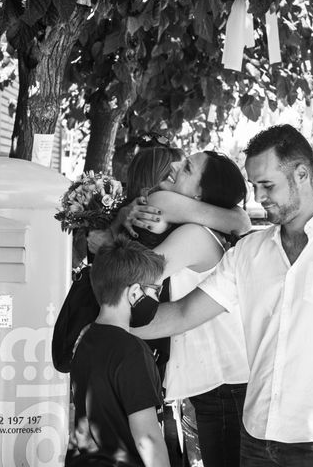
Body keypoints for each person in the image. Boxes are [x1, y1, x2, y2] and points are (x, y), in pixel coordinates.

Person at [133, 124, 313, 467]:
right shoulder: (248, 251)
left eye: (268, 185)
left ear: (302, 174)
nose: (258, 197)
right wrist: (109, 324)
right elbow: (180, 315)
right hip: (255, 440)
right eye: (254, 186)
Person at [91, 145, 251, 467]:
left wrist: (109, 248)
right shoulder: (204, 228)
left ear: (200, 196)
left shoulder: (195, 234)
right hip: (210, 385)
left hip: (219, 387)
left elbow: (137, 276)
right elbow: (177, 316)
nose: (176, 166)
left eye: (188, 168)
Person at [66, 236, 169, 467]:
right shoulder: (132, 351)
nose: (157, 298)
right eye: (155, 290)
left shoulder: (84, 338)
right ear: (134, 293)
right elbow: (148, 439)